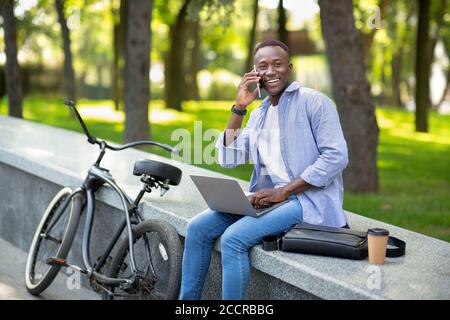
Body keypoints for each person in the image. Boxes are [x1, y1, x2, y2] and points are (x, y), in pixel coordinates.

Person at [179, 39, 349, 300]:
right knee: (197, 227)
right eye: (263, 66)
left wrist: (284, 191)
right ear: (254, 72)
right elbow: (230, 158)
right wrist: (239, 108)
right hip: (268, 200)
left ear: (289, 67)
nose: (270, 71)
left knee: (233, 239)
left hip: (306, 200)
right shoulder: (259, 114)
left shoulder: (314, 102)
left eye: (277, 64)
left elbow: (336, 157)